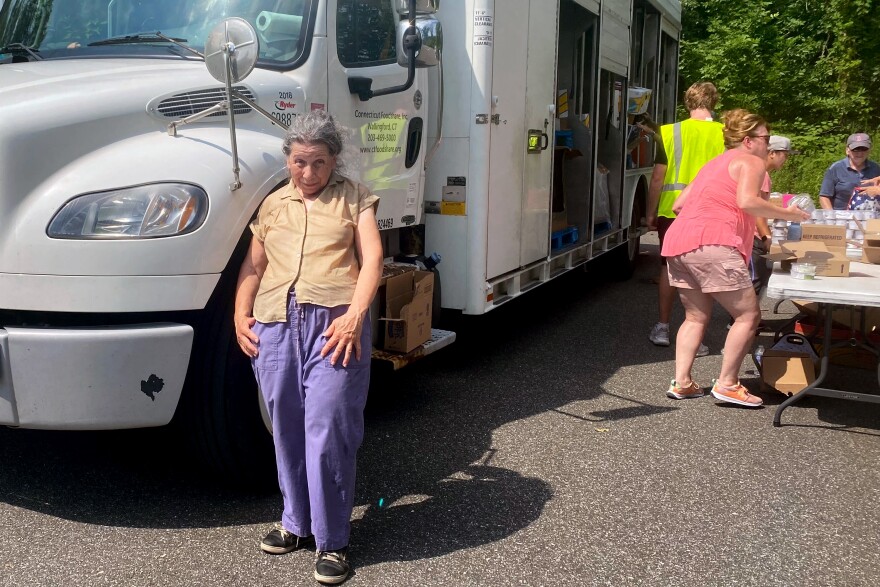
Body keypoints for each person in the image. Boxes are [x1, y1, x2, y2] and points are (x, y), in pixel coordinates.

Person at [234, 110, 383, 585]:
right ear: (288, 159)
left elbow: (374, 259)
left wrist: (356, 316)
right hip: (276, 324)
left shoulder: (354, 199)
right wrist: (239, 314)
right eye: (300, 162)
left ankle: (332, 539)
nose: (309, 173)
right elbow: (253, 269)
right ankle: (295, 524)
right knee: (286, 427)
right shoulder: (274, 204)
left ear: (334, 160)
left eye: (319, 163)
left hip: (334, 326)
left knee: (329, 426)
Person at [660, 109, 809, 406]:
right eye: (766, 138)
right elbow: (747, 201)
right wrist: (788, 213)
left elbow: (678, 205)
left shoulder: (713, 164)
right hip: (714, 243)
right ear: (748, 140)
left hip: (679, 242)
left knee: (695, 316)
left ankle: (683, 382)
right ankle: (728, 383)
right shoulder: (752, 162)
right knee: (748, 315)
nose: (768, 144)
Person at [646, 82, 725, 353]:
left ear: (687, 102)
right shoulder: (725, 133)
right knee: (703, 270)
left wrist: (650, 213)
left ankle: (663, 327)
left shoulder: (668, 132)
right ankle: (697, 336)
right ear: (713, 102)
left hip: (672, 210)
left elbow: (658, 177)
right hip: (712, 211)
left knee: (670, 268)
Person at [818, 133, 880, 210]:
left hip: (870, 217)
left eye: (863, 149)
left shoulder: (876, 168)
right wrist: (832, 216)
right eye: (855, 149)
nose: (860, 153)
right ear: (847, 150)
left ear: (869, 150)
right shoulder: (836, 169)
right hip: (841, 218)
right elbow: (824, 196)